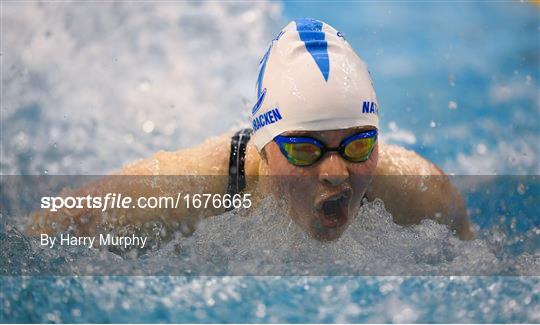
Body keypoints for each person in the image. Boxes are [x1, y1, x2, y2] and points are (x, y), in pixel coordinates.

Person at [27, 18, 474, 242]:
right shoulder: (190, 185)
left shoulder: (422, 192)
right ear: (263, 148)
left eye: (357, 145)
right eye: (304, 150)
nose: (336, 171)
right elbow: (41, 233)